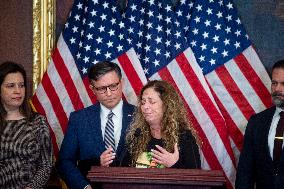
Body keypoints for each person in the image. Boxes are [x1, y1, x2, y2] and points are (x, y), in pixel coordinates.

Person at [57, 61, 135, 189]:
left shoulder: (139, 116)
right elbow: (65, 162)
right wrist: (84, 186)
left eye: (113, 86)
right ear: (92, 89)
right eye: (102, 88)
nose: (109, 93)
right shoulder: (79, 119)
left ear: (122, 83)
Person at [121, 80, 200, 168]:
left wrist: (174, 164)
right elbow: (123, 170)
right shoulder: (137, 135)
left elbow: (195, 176)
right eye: (143, 102)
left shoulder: (184, 136)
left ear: (166, 105)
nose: (145, 107)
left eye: (152, 102)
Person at [0, 61, 53, 189]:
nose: (18, 91)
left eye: (21, 85)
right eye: (11, 86)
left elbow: (46, 164)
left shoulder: (38, 122)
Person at [236, 59, 284, 189]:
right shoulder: (256, 122)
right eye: (274, 83)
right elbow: (245, 173)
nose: (277, 89)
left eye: (283, 84)